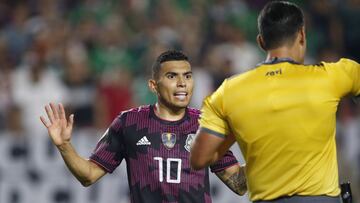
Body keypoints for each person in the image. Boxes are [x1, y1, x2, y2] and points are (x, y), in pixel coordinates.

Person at [190, 1, 360, 203]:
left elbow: (199, 157)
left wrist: (247, 168)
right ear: (302, 35)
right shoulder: (332, 76)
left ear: (261, 42)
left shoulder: (229, 91)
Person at [40, 50, 247, 203]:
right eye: (172, 76)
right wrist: (64, 145)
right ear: (153, 85)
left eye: (187, 76)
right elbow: (89, 175)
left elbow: (238, 183)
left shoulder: (206, 125)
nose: (182, 83)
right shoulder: (129, 123)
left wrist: (268, 155)